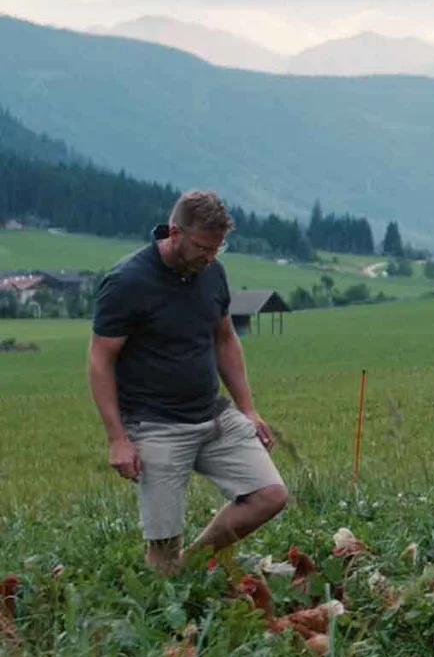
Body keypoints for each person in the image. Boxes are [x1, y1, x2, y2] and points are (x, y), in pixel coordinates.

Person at [87, 190, 287, 574]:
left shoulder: (212, 272)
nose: (210, 257)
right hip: (154, 423)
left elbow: (225, 340)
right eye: (202, 247)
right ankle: (168, 596)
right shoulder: (127, 281)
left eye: (218, 248)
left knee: (270, 495)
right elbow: (100, 360)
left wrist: (248, 409)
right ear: (174, 232)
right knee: (162, 554)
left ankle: (193, 563)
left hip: (211, 415)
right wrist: (117, 438)